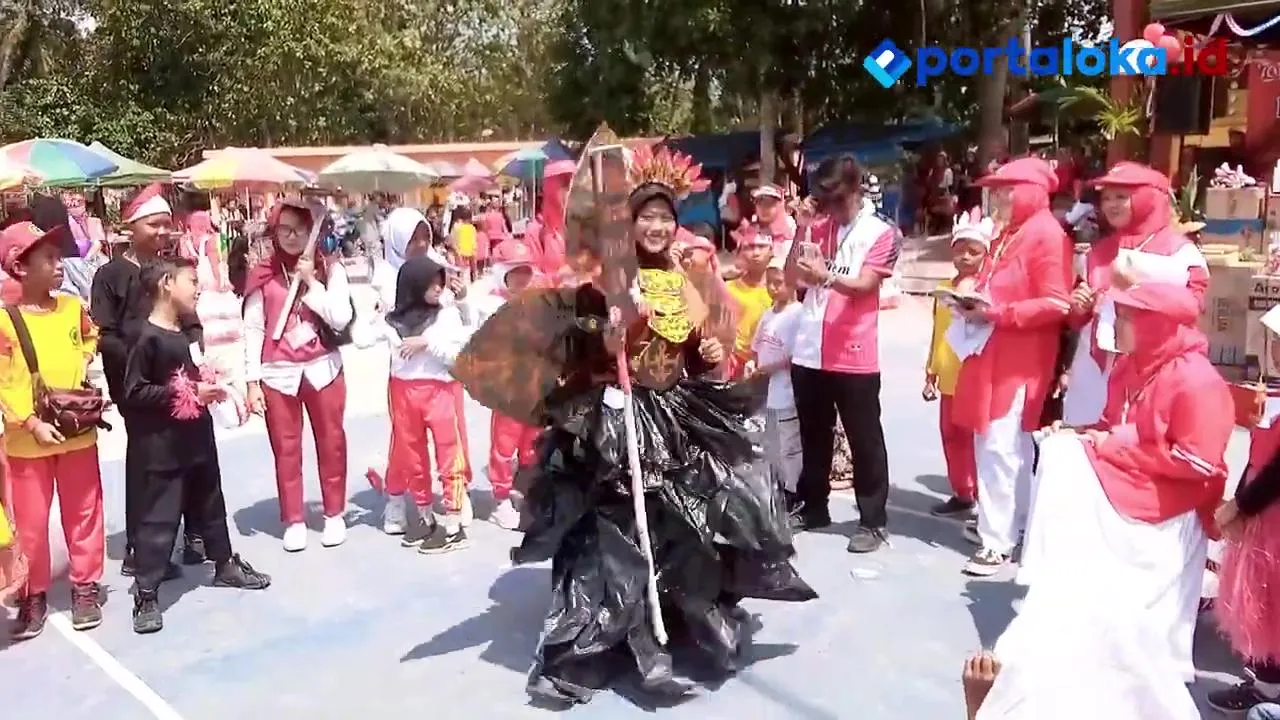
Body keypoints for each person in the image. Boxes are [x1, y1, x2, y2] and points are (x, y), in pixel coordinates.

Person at [451, 146, 815, 704]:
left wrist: (707, 352)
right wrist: (611, 335)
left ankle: (672, 621)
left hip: (675, 414)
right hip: (614, 416)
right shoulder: (607, 281)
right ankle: (618, 643)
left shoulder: (685, 281)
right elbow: (580, 346)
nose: (657, 227)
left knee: (694, 516)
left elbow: (693, 352)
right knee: (617, 535)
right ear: (630, 223)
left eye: (666, 217)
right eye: (647, 217)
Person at [1019, 283, 1233, 684]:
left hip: (1176, 497)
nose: (1113, 326)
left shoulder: (1196, 380)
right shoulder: (1129, 366)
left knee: (1065, 462)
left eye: (1125, 318)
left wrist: (1116, 447)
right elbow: (1110, 425)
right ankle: (1058, 586)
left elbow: (1198, 463)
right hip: (1135, 479)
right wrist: (1078, 431)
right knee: (1059, 451)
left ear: (1156, 325)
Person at [124, 257, 270, 633]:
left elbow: (190, 371)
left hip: (197, 437)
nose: (198, 288)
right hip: (162, 447)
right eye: (191, 281)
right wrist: (187, 391)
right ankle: (147, 592)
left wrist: (209, 384)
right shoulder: (145, 337)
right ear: (166, 284)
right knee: (160, 517)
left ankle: (224, 563)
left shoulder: (186, 331)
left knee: (210, 501)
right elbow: (134, 392)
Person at [952, 157, 1072, 576]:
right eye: (997, 190)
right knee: (1004, 446)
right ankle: (1008, 527)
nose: (999, 197)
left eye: (1007, 189)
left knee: (1000, 447)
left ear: (1031, 192)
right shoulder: (1012, 232)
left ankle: (997, 541)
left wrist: (997, 313)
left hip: (1019, 356)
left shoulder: (1047, 235)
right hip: (995, 349)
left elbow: (1056, 302)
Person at [787, 155, 901, 554]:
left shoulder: (882, 232)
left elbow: (866, 285)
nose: (830, 207)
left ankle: (872, 520)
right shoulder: (818, 227)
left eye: (836, 198)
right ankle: (814, 506)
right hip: (809, 347)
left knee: (863, 439)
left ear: (855, 189)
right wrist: (801, 228)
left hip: (853, 351)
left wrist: (827, 276)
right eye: (823, 200)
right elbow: (792, 278)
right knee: (813, 435)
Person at [89, 184, 203, 578]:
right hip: (137, 387)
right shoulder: (110, 275)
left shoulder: (174, 271)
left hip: (181, 385)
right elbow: (105, 335)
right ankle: (141, 548)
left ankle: (194, 535)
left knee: (189, 455)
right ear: (131, 227)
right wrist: (144, 360)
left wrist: (193, 359)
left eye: (166, 224)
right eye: (153, 224)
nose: (162, 232)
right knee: (147, 465)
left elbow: (191, 322)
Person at [0, 222, 105, 640]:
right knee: (30, 522)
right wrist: (31, 422)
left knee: (85, 510)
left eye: (59, 257)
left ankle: (85, 585)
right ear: (20, 268)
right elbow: (4, 383)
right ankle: (34, 592)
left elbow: (90, 337)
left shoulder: (72, 308)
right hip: (28, 441)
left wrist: (83, 363)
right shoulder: (5, 321)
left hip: (77, 430)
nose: (59, 265)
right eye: (48, 259)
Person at [242, 201, 355, 552]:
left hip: (323, 370)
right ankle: (293, 519)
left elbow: (340, 317)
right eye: (284, 229)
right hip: (278, 375)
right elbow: (253, 328)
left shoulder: (330, 269)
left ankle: (334, 513)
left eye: (299, 230)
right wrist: (251, 382)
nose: (291, 237)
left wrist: (311, 281)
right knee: (286, 449)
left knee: (332, 442)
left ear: (312, 231)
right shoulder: (263, 273)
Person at [1062, 162, 1208, 427]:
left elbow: (1193, 309)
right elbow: (1080, 319)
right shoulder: (1098, 251)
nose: (1111, 205)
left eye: (1121, 197)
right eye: (1106, 198)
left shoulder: (1181, 252)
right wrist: (1079, 308)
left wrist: (1138, 291)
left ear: (1148, 198)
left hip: (1153, 368)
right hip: (1095, 371)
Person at [361, 255, 472, 551]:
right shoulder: (392, 321)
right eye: (430, 283)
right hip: (403, 393)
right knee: (413, 456)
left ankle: (454, 522)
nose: (438, 288)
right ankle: (424, 516)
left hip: (439, 391)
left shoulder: (446, 316)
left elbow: (459, 355)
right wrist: (375, 315)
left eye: (440, 282)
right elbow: (360, 338)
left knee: (449, 453)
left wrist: (428, 344)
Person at [1210, 319, 1280, 715]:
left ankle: (1268, 691)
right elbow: (1256, 459)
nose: (1274, 350)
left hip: (1272, 518)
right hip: (1261, 513)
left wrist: (1242, 505)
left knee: (1269, 603)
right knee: (1264, 604)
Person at [462, 239, 540, 531]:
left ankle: (529, 492)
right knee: (504, 447)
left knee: (533, 445)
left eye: (526, 271)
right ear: (502, 273)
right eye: (515, 272)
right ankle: (500, 498)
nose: (522, 278)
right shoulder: (489, 305)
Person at [925, 209, 991, 519]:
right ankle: (962, 492)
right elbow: (937, 331)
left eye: (973, 251)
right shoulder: (943, 288)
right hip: (948, 374)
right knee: (950, 434)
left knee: (975, 437)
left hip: (975, 375)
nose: (965, 257)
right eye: (960, 250)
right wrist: (930, 371)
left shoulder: (987, 289)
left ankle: (983, 496)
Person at [749, 246, 803, 504]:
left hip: (786, 391)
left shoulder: (798, 315)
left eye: (778, 283)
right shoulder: (768, 314)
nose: (772, 288)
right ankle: (776, 486)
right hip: (765, 392)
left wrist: (770, 368)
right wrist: (753, 365)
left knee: (789, 444)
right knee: (769, 442)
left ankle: (793, 489)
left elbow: (795, 356)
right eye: (769, 282)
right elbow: (756, 346)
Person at [725, 224, 773, 378]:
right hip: (733, 366)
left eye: (761, 247)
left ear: (771, 251)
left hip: (769, 367)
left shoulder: (782, 291)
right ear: (740, 252)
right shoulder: (727, 289)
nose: (756, 253)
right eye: (750, 247)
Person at [372, 207, 434, 314]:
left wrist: (460, 297)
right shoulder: (384, 284)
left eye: (426, 237)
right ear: (396, 240)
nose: (422, 244)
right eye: (413, 239)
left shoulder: (435, 268)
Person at [522, 159, 574, 277]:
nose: (571, 191)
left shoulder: (587, 227)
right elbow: (532, 278)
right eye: (565, 185)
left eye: (575, 185)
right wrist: (559, 276)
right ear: (551, 190)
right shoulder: (537, 231)